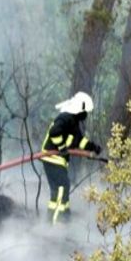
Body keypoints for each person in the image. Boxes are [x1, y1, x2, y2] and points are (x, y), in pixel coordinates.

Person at [40, 91, 102, 224]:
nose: (86, 115)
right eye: (85, 111)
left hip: (57, 161)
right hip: (52, 159)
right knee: (62, 188)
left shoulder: (73, 122)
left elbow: (79, 141)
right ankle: (53, 225)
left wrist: (93, 147)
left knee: (61, 189)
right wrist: (62, 148)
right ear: (80, 108)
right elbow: (54, 132)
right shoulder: (66, 117)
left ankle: (63, 218)